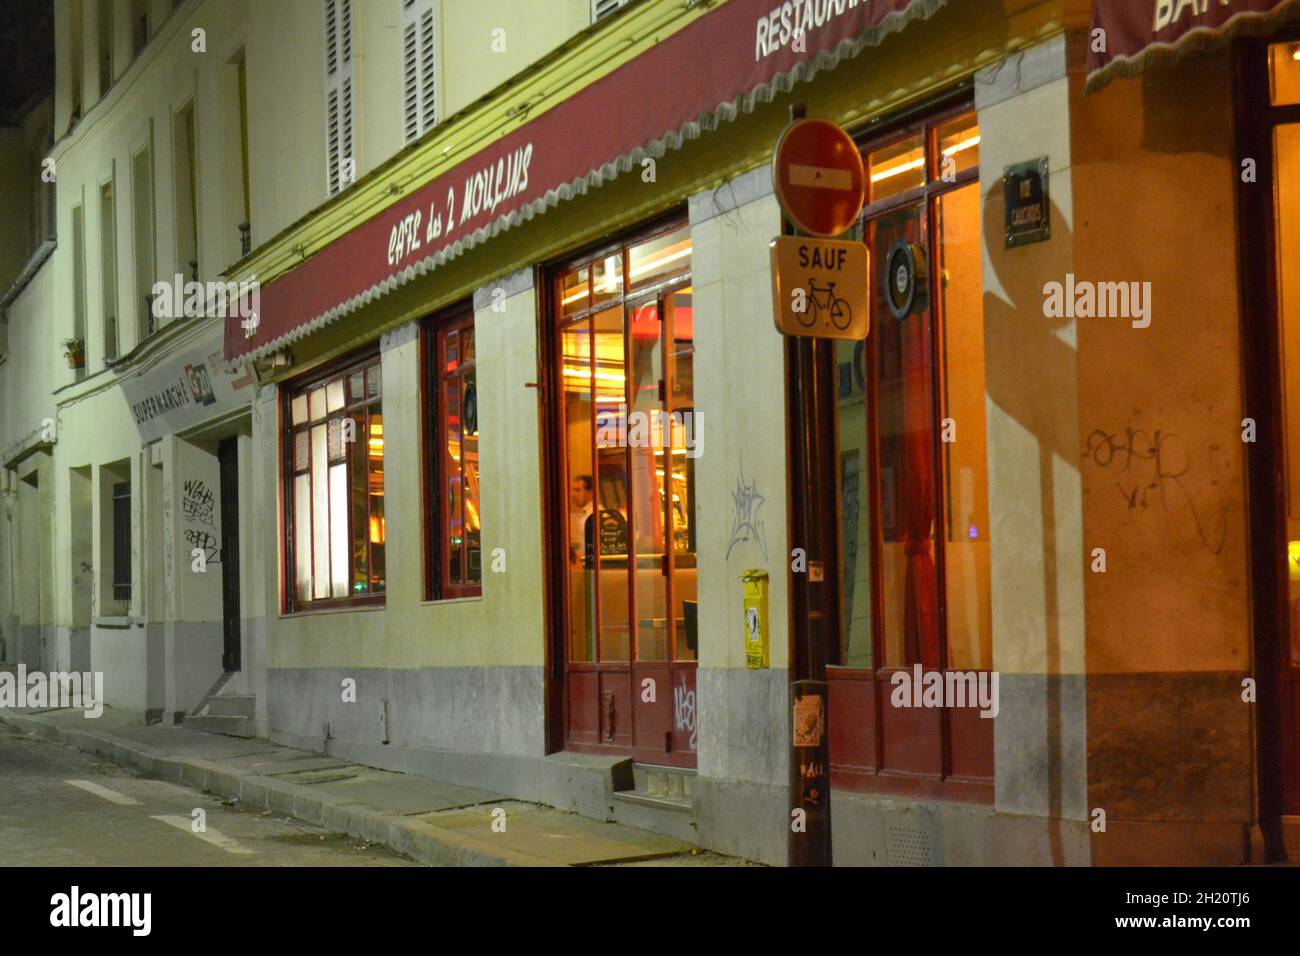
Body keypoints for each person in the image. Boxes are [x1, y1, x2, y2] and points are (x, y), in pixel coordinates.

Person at [569, 474, 595, 568]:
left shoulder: (594, 515)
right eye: (572, 490)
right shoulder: (583, 514)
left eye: (577, 490)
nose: (571, 494)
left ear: (590, 492)